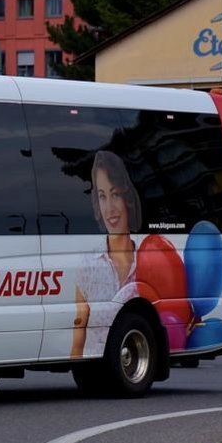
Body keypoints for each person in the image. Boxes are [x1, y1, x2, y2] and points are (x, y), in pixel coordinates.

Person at [71, 150, 142, 359]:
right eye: (102, 196)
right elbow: (78, 338)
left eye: (115, 194)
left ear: (127, 197)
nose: (109, 208)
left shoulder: (147, 259)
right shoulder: (87, 266)